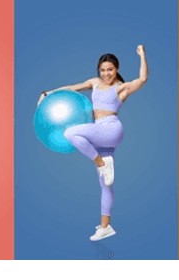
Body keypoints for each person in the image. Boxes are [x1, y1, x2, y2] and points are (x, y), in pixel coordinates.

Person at [38, 45, 148, 241]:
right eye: (103, 70)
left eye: (110, 69)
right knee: (105, 184)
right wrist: (50, 93)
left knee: (70, 132)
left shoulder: (120, 88)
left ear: (116, 69)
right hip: (100, 133)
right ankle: (106, 227)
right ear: (99, 70)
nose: (106, 73)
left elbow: (142, 79)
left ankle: (100, 162)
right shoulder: (94, 83)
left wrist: (142, 55)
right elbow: (72, 89)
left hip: (111, 129)